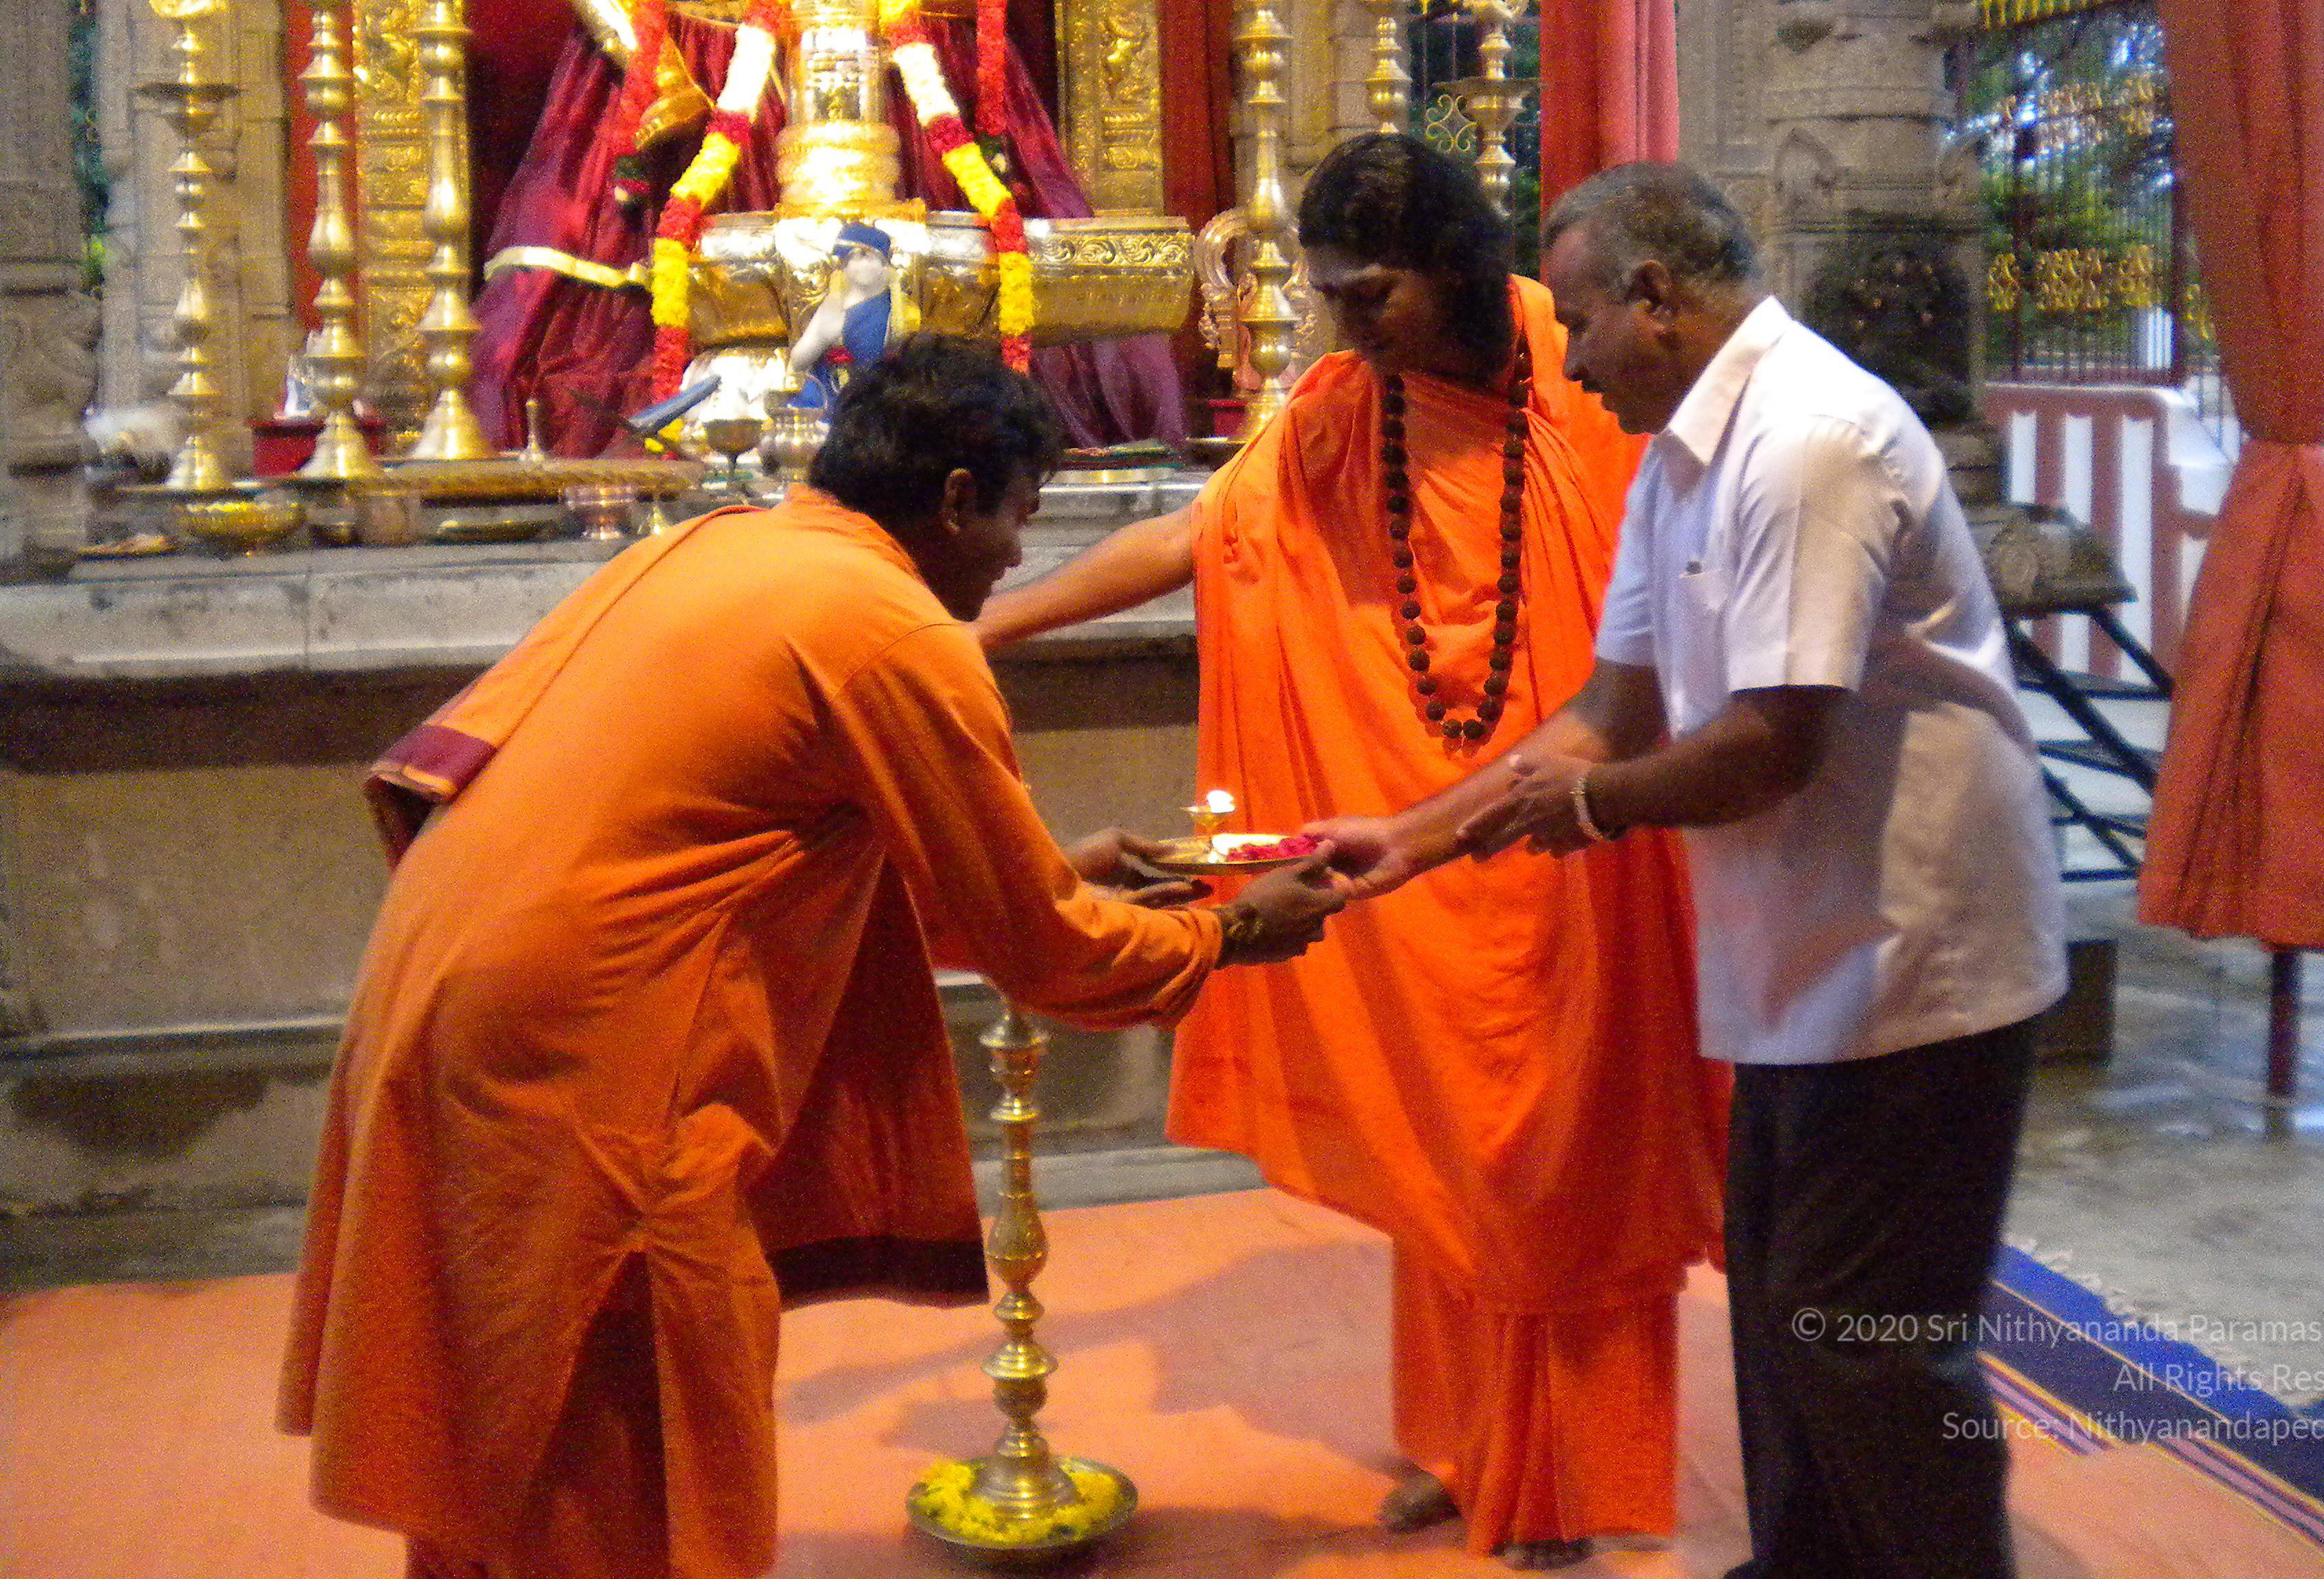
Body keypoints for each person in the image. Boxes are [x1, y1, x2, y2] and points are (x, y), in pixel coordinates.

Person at [278, 336, 1344, 1579]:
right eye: (1019, 517)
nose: (1016, 559)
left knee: (509, 1412)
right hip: (596, 1062)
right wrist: (1229, 930)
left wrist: (1050, 868)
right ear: (956, 498)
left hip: (447, 1000)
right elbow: (1048, 954)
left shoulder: (715, 544)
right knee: (616, 1432)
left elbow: (746, 844)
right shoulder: (889, 627)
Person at [977, 134, 1729, 1567]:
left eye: (1369, 292)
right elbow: (1206, 532)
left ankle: (1567, 1475)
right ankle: (1470, 1443)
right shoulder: (1347, 407)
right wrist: (985, 628)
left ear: (1452, 265)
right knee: (1448, 1151)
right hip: (1406, 837)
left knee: (1561, 1159)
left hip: (1570, 826)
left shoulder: (1590, 375)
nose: (1341, 323)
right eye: (1328, 293)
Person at [1315, 162, 2067, 1579]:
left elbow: (1774, 741)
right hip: (1801, 960)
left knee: (1873, 1345)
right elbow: (1610, 709)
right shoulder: (1680, 461)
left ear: (1655, 297)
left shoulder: (1809, 439)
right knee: (1790, 1323)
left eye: (1579, 319)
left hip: (1921, 963)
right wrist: (1400, 844)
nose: (1568, 357)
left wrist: (1594, 813)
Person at [787, 220, 895, 407]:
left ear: (884, 263)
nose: (860, 264)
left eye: (867, 256)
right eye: (853, 257)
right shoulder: (834, 306)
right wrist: (823, 337)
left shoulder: (899, 310)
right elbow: (798, 361)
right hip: (832, 394)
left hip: (880, 399)